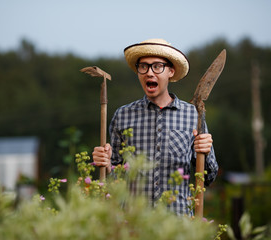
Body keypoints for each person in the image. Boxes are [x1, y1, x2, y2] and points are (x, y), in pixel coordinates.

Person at [92, 38, 218, 216]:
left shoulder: (193, 115)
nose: (149, 73)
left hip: (177, 226)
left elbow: (208, 178)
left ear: (171, 72)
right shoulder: (123, 115)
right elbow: (114, 181)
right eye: (143, 66)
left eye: (157, 66)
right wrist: (105, 166)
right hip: (135, 224)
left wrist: (205, 151)